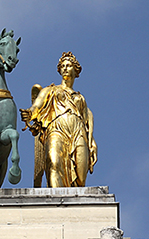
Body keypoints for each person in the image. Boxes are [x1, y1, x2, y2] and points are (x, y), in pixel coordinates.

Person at [20, 51, 97, 187]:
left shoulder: (81, 98)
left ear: (76, 70)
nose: (65, 68)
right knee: (53, 163)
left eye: (68, 65)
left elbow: (87, 121)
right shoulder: (51, 90)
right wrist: (29, 114)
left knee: (81, 179)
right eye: (63, 66)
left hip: (78, 133)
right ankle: (55, 202)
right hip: (56, 130)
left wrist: (92, 142)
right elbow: (36, 106)